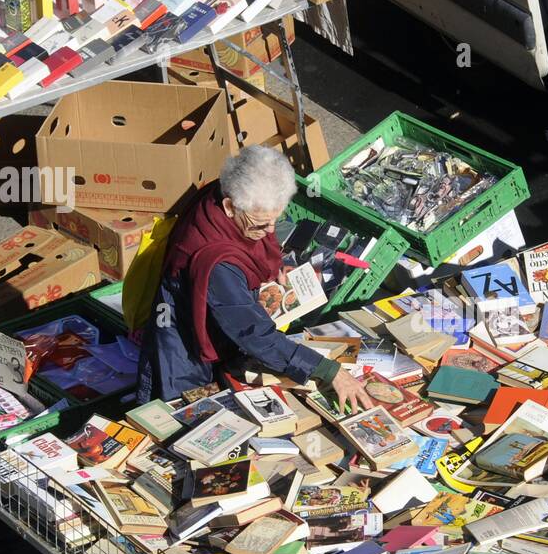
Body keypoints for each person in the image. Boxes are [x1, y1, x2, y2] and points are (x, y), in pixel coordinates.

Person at [137, 145, 374, 413]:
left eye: (276, 218)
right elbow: (254, 334)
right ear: (229, 207)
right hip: (183, 354)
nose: (270, 231)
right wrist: (329, 371)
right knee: (183, 417)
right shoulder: (218, 266)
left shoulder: (226, 194)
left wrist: (275, 264)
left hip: (211, 327)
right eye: (261, 224)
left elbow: (256, 239)